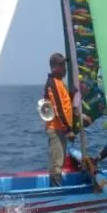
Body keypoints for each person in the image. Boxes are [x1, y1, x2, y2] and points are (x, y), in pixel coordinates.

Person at [42, 52, 76, 187]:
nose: (64, 68)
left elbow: (67, 105)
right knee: (57, 162)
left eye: (64, 64)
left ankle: (56, 187)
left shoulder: (60, 83)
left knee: (59, 161)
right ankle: (56, 191)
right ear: (54, 67)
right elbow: (58, 108)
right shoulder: (52, 83)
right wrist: (68, 129)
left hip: (61, 128)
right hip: (56, 129)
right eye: (61, 65)